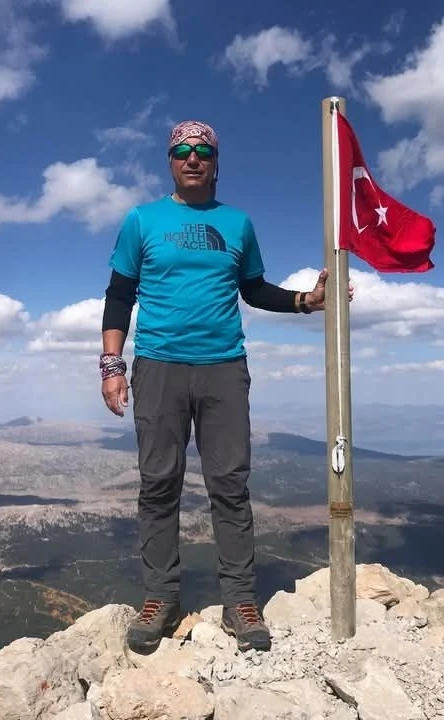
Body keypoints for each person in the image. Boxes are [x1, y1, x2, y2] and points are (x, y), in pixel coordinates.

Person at [100, 120, 352, 655]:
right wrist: (111, 364)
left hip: (223, 368)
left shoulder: (238, 224)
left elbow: (254, 289)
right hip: (159, 366)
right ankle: (159, 599)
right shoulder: (141, 220)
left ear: (217, 162)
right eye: (182, 151)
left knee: (230, 486)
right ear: (169, 161)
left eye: (203, 151)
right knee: (158, 484)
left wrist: (308, 301)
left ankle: (240, 602)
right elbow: (120, 294)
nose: (193, 158)